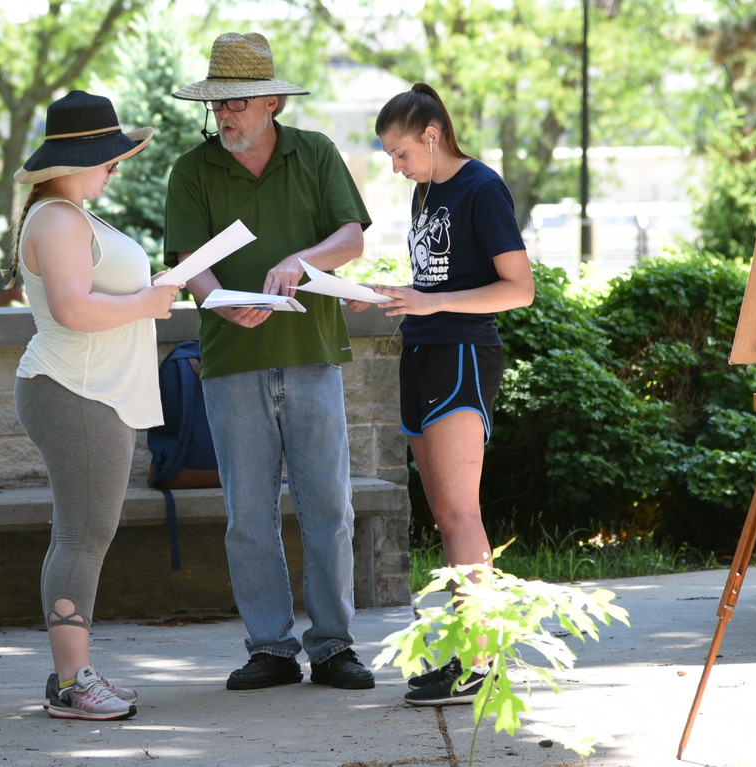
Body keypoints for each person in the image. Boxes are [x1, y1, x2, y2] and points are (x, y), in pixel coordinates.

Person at [165, 32, 375, 692]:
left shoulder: (314, 153)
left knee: (329, 511)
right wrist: (218, 302)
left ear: (274, 103)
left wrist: (304, 262)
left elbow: (352, 237)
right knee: (248, 516)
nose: (225, 114)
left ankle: (335, 644)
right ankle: (272, 648)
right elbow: (189, 265)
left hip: (311, 355)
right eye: (218, 104)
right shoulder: (191, 171)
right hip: (231, 361)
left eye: (239, 102)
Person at [352, 83, 535, 706]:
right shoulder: (426, 191)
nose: (395, 167)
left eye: (399, 153)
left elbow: (518, 289)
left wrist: (430, 303)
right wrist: (395, 296)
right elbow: (439, 280)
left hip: (461, 355)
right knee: (445, 515)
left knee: (461, 514)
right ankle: (467, 651)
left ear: (432, 136)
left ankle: (480, 661)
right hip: (423, 351)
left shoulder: (482, 188)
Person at [11, 90, 176, 721]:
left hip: (93, 390)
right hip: (75, 390)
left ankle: (74, 673)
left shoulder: (72, 214)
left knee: (83, 535)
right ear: (75, 159)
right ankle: (72, 682)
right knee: (82, 537)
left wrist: (152, 292)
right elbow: (73, 310)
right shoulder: (56, 218)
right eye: (109, 157)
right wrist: (148, 303)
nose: (116, 166)